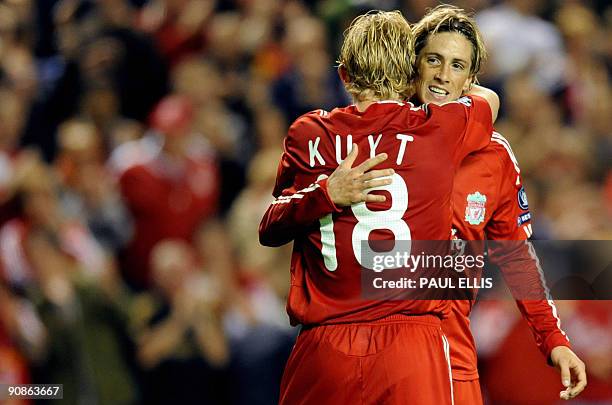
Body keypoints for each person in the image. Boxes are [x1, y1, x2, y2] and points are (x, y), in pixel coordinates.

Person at [259, 10, 499, 405]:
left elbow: (269, 228)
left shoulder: (309, 134)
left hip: (325, 345)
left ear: (344, 75)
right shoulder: (442, 127)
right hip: (412, 343)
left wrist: (325, 195)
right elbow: (488, 99)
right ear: (409, 75)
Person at [410, 6, 586, 403]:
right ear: (413, 65)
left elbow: (518, 259)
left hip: (453, 351)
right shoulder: (377, 136)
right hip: (374, 341)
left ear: (470, 80)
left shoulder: (494, 156)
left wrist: (552, 338)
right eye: (433, 60)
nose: (442, 75)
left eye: (457, 65)